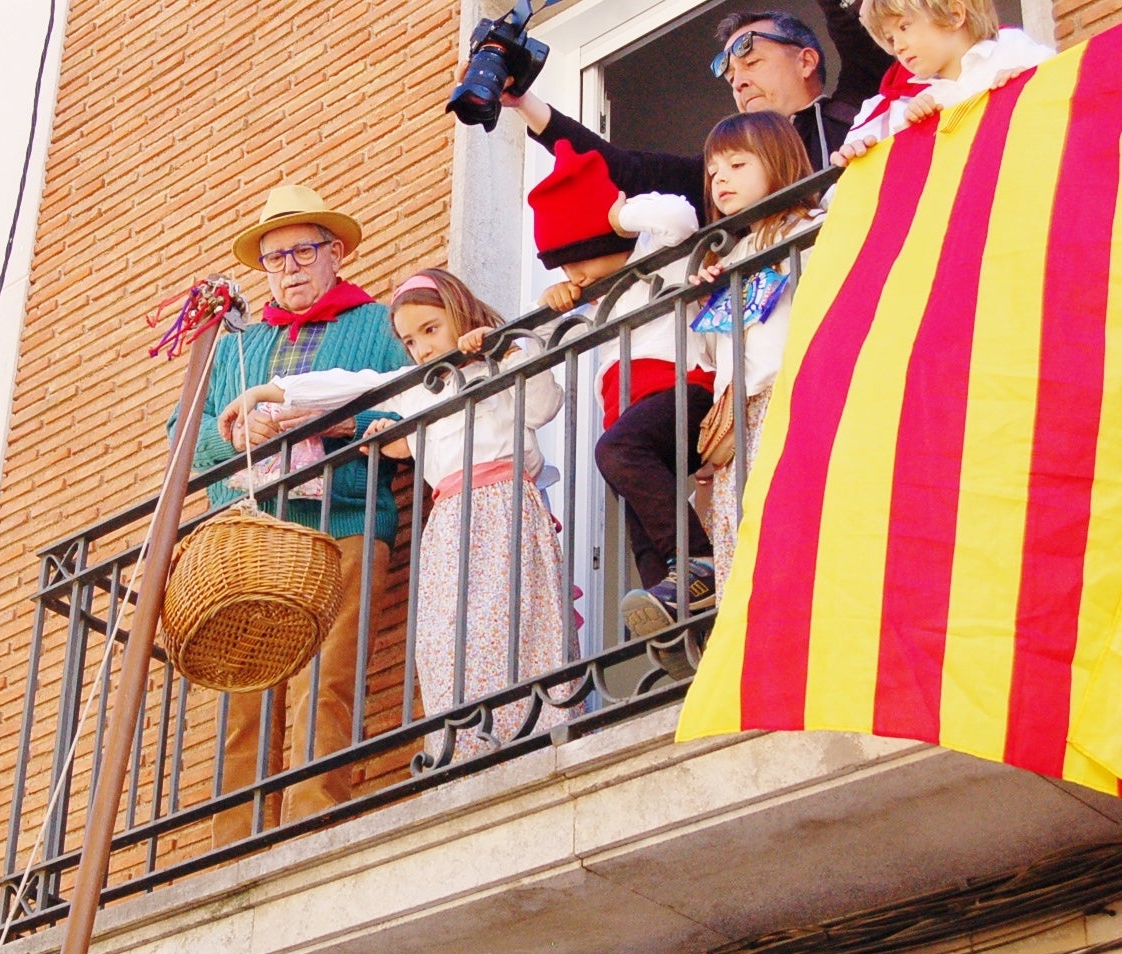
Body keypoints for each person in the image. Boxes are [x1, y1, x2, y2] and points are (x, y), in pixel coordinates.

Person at [220, 269, 576, 764]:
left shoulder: (492, 368)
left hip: (502, 509)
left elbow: (543, 405)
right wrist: (267, 394)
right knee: (445, 642)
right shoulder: (416, 391)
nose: (423, 349)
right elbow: (351, 385)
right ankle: (470, 747)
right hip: (448, 524)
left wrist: (508, 351)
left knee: (513, 621)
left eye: (431, 329)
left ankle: (530, 735)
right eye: (411, 340)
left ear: (460, 314)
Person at [169, 183, 410, 847]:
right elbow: (182, 435)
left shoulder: (378, 324)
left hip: (346, 525)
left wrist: (331, 423)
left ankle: (309, 830)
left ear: (335, 253)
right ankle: (231, 850)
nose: (290, 269)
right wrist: (237, 433)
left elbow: (413, 404)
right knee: (241, 697)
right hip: (250, 539)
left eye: (304, 252)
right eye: (275, 259)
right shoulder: (233, 346)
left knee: (326, 680)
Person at [524, 140, 716, 634]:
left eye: (574, 260)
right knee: (644, 531)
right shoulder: (596, 306)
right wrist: (555, 308)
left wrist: (618, 215)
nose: (572, 275)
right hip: (636, 418)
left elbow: (679, 215)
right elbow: (531, 348)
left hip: (685, 390)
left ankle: (699, 561)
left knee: (615, 451)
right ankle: (681, 624)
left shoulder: (663, 258)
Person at [637, 112, 821, 614]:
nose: (720, 179)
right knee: (749, 554)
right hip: (739, 422)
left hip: (791, 399)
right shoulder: (732, 255)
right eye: (713, 171)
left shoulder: (816, 228)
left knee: (794, 538)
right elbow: (719, 355)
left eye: (737, 164)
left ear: (780, 162)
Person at [499, 0, 893, 218]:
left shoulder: (857, 111)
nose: (738, 81)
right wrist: (522, 101)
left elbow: (860, 34)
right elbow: (624, 168)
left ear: (806, 62)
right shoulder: (720, 172)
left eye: (752, 62)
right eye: (731, 75)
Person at [833, 0, 1052, 157]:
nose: (897, 46)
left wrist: (1032, 82)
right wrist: (915, 132)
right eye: (890, 38)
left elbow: (1070, 94)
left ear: (954, 14)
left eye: (904, 27)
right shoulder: (907, 106)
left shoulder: (1011, 47)